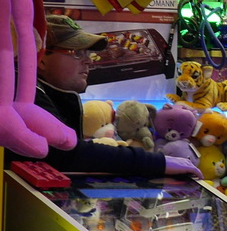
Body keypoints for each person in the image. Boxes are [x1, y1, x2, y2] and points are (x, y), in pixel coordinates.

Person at [28, 13, 199, 177]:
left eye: (88, 53)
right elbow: (71, 153)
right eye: (77, 53)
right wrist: (159, 163)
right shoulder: (29, 97)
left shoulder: (48, 94)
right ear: (41, 58)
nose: (88, 60)